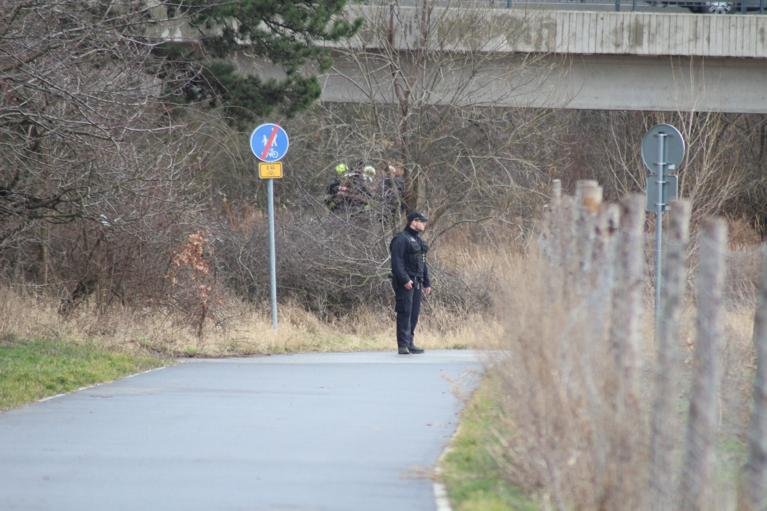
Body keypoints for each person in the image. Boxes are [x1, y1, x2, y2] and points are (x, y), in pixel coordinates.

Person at [389, 211, 432, 355]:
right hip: (405, 282)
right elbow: (396, 262)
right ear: (414, 222)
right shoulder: (401, 239)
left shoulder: (418, 241)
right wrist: (405, 279)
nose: (424, 224)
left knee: (414, 314)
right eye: (422, 221)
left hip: (417, 282)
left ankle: (410, 343)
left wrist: (427, 282)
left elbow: (423, 263)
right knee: (404, 312)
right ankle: (403, 345)